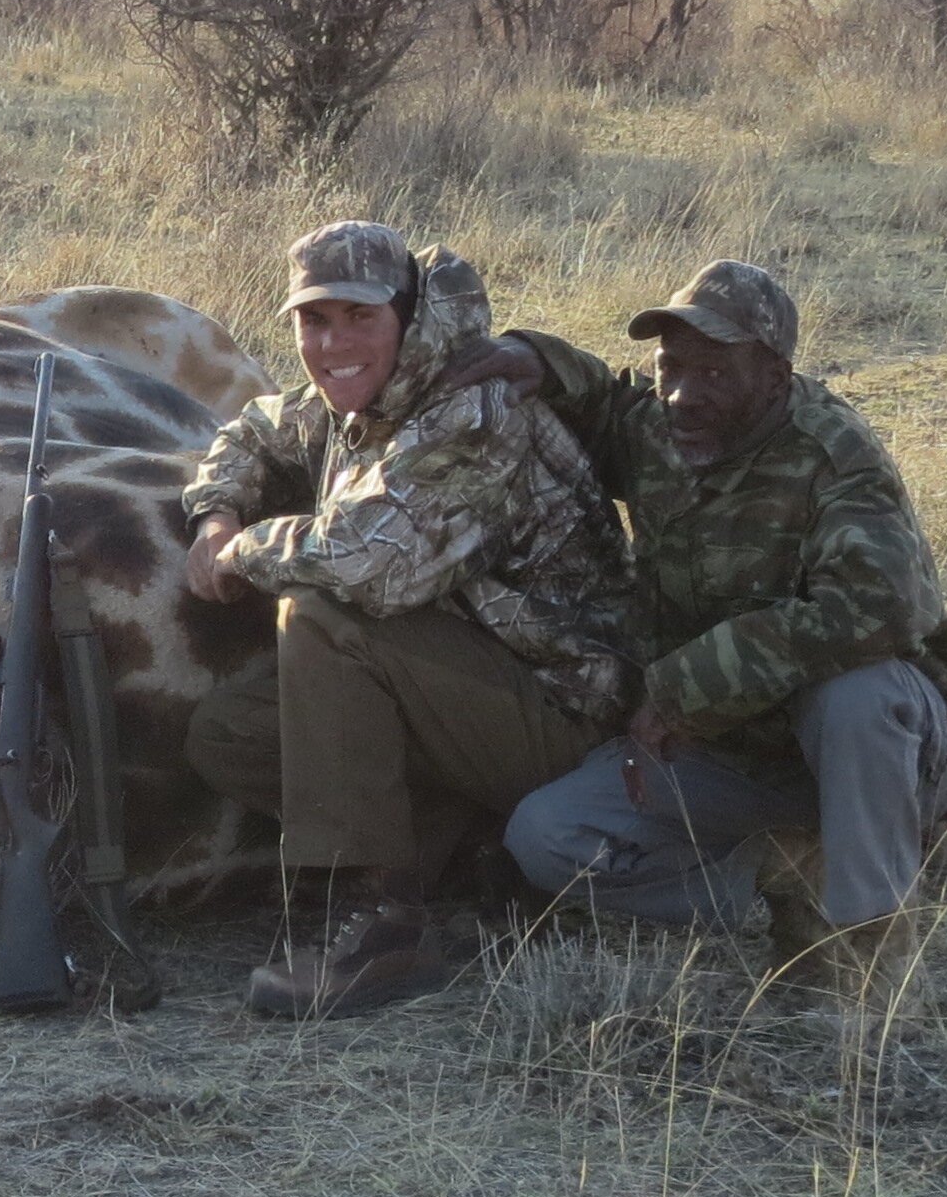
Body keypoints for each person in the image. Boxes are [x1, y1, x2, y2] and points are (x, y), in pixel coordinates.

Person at [490, 259, 947, 1001]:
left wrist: (683, 688)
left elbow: (877, 609)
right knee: (547, 837)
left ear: (775, 376)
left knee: (855, 692)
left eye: (717, 374)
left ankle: (866, 952)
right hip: (735, 755)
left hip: (885, 755)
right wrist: (535, 357)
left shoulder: (836, 456)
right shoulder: (661, 424)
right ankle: (778, 877)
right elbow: (602, 402)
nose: (686, 395)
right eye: (671, 367)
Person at [182, 221, 632, 1020]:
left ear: (408, 317)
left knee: (322, 614)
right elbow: (254, 429)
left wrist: (241, 551)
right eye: (313, 321)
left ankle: (384, 926)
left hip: (565, 712)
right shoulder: (361, 398)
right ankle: (462, 849)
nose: (333, 342)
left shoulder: (476, 412)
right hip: (466, 692)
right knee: (230, 735)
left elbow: (371, 567)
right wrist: (215, 513)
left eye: (360, 317)